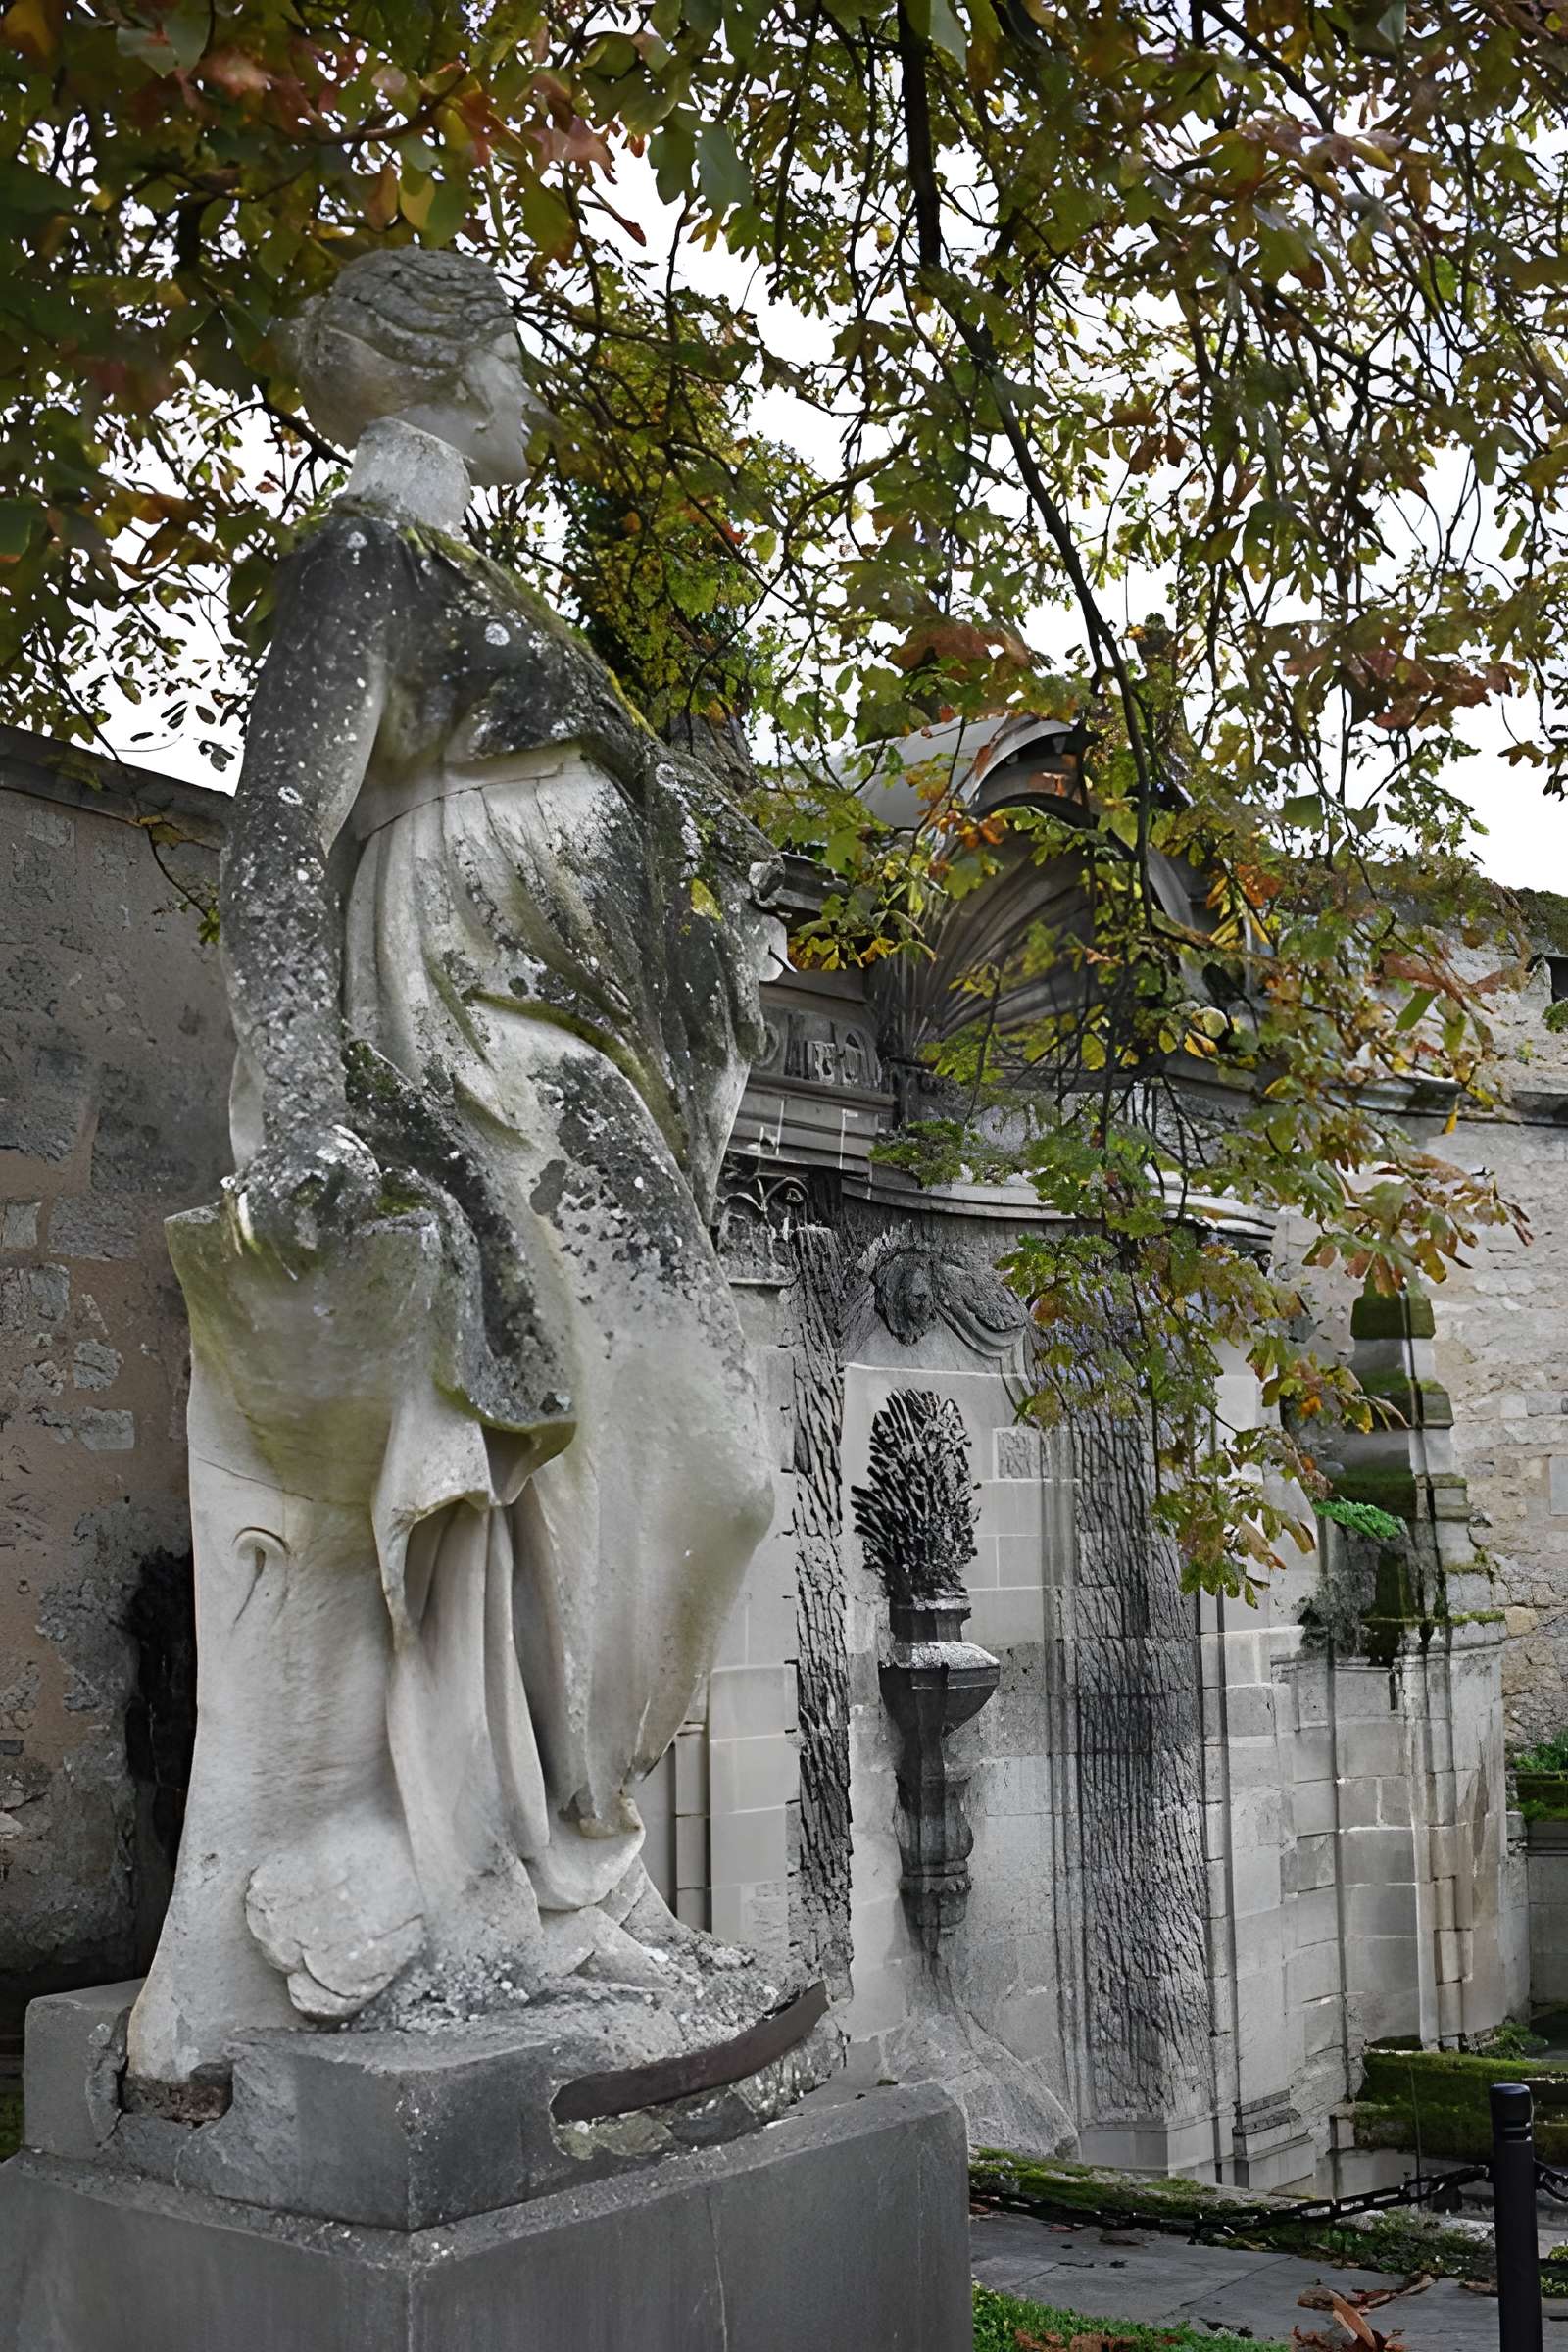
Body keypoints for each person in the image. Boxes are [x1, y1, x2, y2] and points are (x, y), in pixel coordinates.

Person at [128, 249, 782, 2082]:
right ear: (442, 367)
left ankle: (575, 1878)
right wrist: (308, 1097)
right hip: (470, 1062)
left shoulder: (488, 582)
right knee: (672, 1453)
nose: (530, 388)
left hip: (582, 1062)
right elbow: (279, 838)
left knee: (694, 1464)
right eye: (513, 351)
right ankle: (525, 1885)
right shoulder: (367, 558)